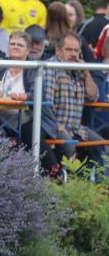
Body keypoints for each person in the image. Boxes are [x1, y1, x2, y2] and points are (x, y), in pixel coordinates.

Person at [0, 31, 61, 174]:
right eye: (12, 44)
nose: (15, 47)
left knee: (30, 133)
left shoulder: (34, 68)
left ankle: (55, 173)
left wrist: (23, 96)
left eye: (20, 45)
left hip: (27, 115)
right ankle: (1, 175)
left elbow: (37, 93)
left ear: (28, 49)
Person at [41, 32, 103, 164]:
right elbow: (46, 104)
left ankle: (89, 183)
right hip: (55, 127)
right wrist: (58, 127)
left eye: (76, 50)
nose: (74, 54)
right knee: (69, 148)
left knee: (100, 146)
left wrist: (86, 73)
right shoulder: (51, 68)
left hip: (76, 129)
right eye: (69, 50)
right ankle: (64, 182)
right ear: (58, 50)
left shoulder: (79, 68)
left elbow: (93, 97)